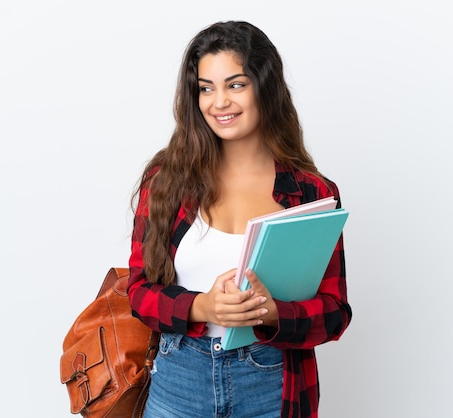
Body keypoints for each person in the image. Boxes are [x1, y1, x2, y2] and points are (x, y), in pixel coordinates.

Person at [127, 20, 351, 418]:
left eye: (235, 85)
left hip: (270, 383)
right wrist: (203, 308)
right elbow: (139, 292)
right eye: (206, 88)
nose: (219, 102)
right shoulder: (166, 182)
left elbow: (334, 313)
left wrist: (275, 313)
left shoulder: (312, 193)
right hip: (178, 381)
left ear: (264, 86)